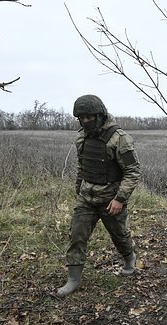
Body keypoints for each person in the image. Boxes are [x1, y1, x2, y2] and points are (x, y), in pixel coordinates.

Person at [57, 94, 141, 298]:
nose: (85, 121)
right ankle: (73, 280)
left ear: (100, 114)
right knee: (77, 236)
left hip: (111, 199)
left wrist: (120, 199)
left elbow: (132, 171)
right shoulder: (81, 138)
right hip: (86, 198)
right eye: (81, 117)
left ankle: (130, 259)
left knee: (119, 235)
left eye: (89, 117)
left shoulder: (119, 138)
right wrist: (79, 189)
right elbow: (82, 166)